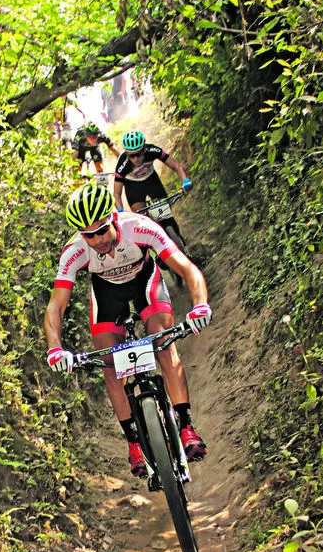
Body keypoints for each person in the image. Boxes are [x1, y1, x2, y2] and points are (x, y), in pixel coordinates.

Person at [44, 181, 211, 478]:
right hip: (108, 297)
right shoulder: (74, 251)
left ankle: (186, 428)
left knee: (162, 342)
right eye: (88, 235)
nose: (96, 241)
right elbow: (56, 306)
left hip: (145, 285)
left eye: (101, 230)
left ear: (113, 217)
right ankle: (134, 443)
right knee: (110, 366)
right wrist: (55, 348)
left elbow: (186, 268)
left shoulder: (140, 227)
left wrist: (199, 305)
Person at [113, 130, 192, 245]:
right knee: (143, 221)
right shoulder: (122, 164)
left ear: (144, 149)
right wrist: (121, 211)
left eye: (138, 154)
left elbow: (175, 165)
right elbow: (116, 194)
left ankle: (181, 244)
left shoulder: (152, 150)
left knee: (166, 216)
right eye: (131, 155)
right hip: (133, 187)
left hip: (151, 181)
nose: (135, 159)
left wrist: (185, 180)